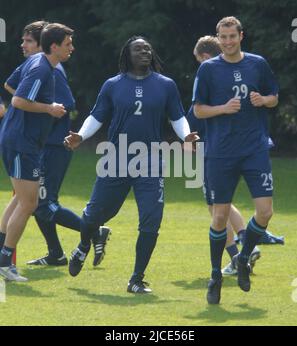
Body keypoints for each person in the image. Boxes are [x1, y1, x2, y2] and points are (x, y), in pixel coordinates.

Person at [64, 36, 198, 294]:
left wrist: (186, 135)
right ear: (128, 54)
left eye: (148, 48)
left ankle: (136, 278)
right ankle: (83, 246)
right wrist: (81, 135)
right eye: (138, 48)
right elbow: (97, 115)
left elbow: (177, 116)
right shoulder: (113, 85)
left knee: (151, 220)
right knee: (94, 215)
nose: (145, 51)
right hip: (115, 158)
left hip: (150, 160)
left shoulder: (165, 85)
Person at [3, 21, 110, 267]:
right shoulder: (37, 65)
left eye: (28, 41)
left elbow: (65, 104)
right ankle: (53, 253)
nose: (23, 45)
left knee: (39, 202)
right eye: (68, 44)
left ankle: (92, 232)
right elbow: (14, 90)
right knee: (32, 202)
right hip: (31, 143)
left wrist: (47, 110)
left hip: (52, 145)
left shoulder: (52, 70)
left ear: (43, 45)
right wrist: (40, 106)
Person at [193, 17, 279, 304]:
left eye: (232, 36)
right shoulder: (208, 69)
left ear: (241, 35)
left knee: (265, 212)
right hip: (221, 151)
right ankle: (215, 275)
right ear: (218, 38)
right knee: (219, 216)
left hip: (254, 148)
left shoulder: (258, 64)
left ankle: (242, 258)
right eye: (223, 37)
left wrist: (263, 100)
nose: (228, 41)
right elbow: (199, 111)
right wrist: (222, 108)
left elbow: (274, 97)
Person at [0, 23, 74, 282]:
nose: (71, 49)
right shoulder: (42, 68)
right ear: (53, 46)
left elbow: (11, 85)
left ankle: (2, 255)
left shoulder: (38, 62)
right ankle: (5, 261)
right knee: (29, 203)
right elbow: (19, 100)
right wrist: (49, 108)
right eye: (67, 45)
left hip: (19, 140)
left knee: (20, 200)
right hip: (22, 142)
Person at [187, 35, 262, 276]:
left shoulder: (210, 81)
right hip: (239, 151)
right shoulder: (237, 76)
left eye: (200, 61)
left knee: (215, 208)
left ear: (206, 57)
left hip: (215, 154)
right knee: (223, 205)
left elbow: (197, 117)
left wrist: (187, 142)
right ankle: (246, 246)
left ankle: (239, 255)